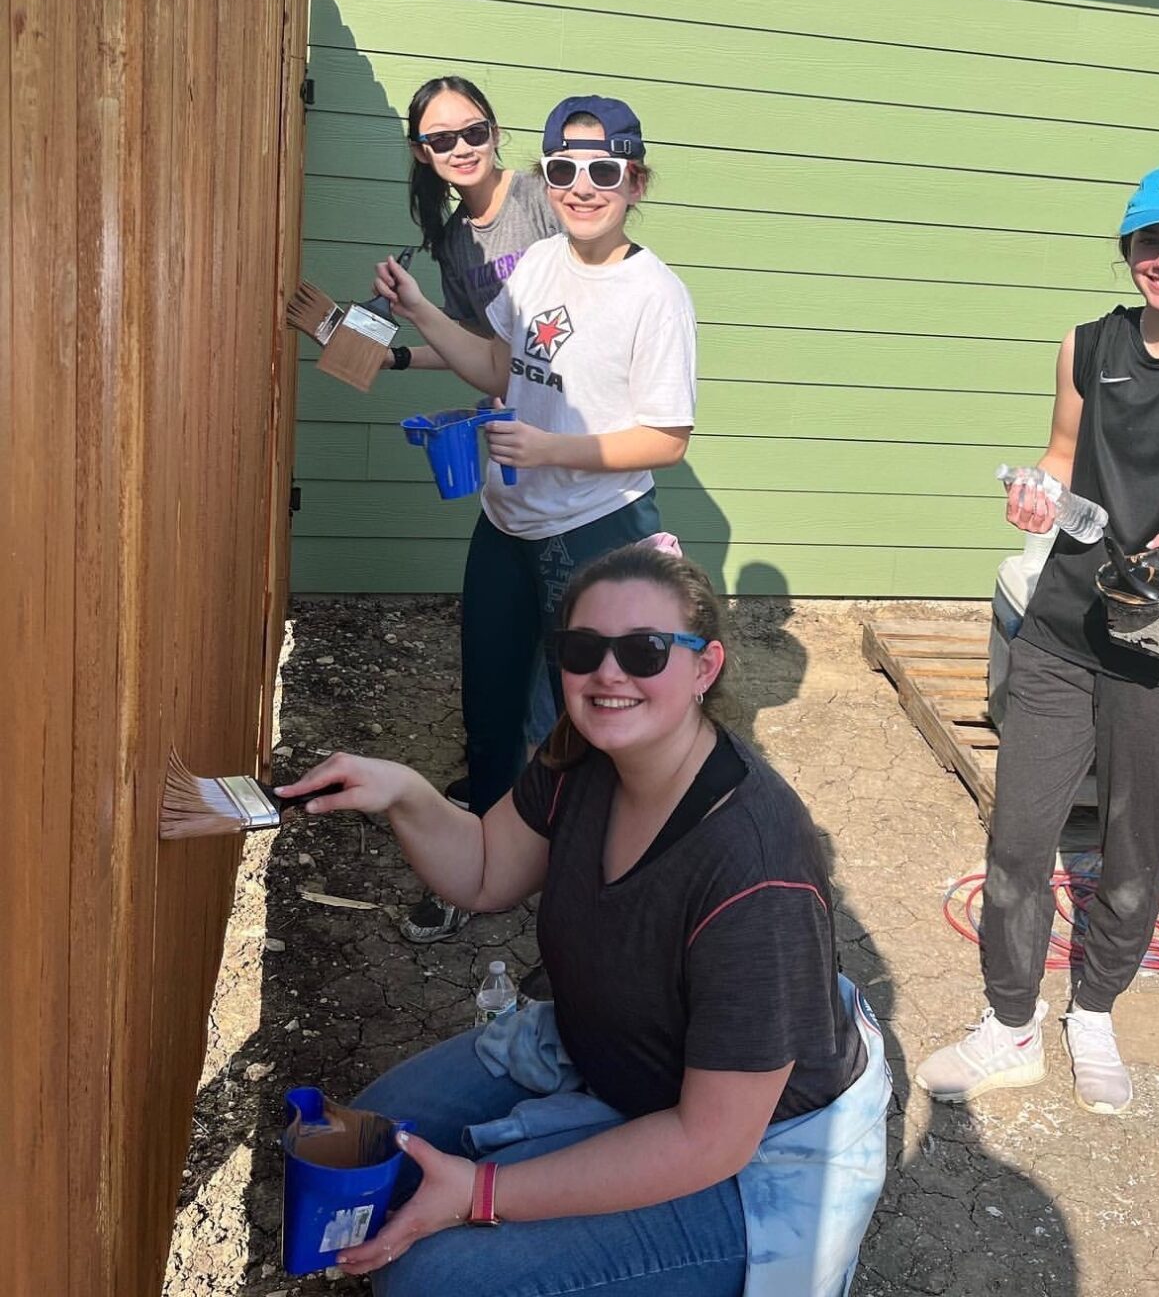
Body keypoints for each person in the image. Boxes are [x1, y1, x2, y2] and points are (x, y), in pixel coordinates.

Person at [278, 547, 890, 1296]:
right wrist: (402, 792)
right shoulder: (582, 756)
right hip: (607, 1058)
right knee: (361, 1146)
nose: (609, 674)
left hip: (753, 1158)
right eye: (582, 650)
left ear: (705, 667)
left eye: (644, 651)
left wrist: (480, 1193)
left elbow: (709, 1141)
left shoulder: (754, 868)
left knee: (434, 1278)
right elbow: (482, 869)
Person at [916, 163, 1159, 1114]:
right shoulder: (1086, 344)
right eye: (1148, 241)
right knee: (1019, 839)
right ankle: (1010, 1025)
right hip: (1062, 625)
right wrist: (1037, 491)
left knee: (1138, 851)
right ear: (1127, 251)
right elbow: (1061, 454)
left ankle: (1092, 1011)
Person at [373, 96, 697, 820]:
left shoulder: (656, 296)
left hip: (594, 529)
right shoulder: (540, 264)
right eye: (564, 169)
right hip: (508, 517)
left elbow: (666, 439)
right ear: (548, 181)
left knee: (588, 704)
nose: (583, 186)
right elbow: (497, 367)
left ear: (634, 183)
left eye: (603, 170)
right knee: (487, 690)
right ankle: (487, 841)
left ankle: (579, 844)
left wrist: (553, 449)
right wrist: (421, 310)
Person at [379, 75, 562, 942]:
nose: (459, 149)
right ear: (422, 153)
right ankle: (482, 848)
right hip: (506, 488)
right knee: (490, 684)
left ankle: (583, 867)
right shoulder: (454, 243)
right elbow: (481, 357)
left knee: (573, 694)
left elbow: (545, 351)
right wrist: (387, 352)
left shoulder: (545, 201)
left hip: (579, 487)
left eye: (472, 131)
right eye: (440, 140)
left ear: (497, 131)